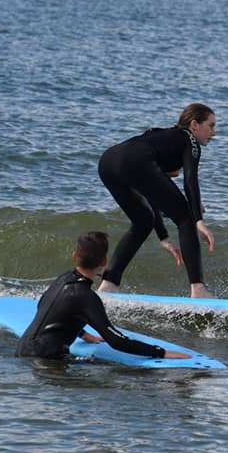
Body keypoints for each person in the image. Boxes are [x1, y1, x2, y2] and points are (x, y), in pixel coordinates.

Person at [97, 103, 217, 298]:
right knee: (185, 218)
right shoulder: (189, 139)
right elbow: (190, 180)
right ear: (194, 125)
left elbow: (152, 193)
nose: (213, 133)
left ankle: (109, 284)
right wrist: (198, 220)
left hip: (107, 162)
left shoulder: (162, 138)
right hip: (133, 161)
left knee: (143, 221)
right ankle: (198, 288)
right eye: (211, 126)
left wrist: (163, 237)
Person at [16, 231, 191, 360]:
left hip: (22, 351)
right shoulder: (86, 297)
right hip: (46, 362)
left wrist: (82, 333)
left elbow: (47, 306)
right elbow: (116, 340)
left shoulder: (62, 279)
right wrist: (162, 352)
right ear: (104, 262)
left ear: (75, 256)